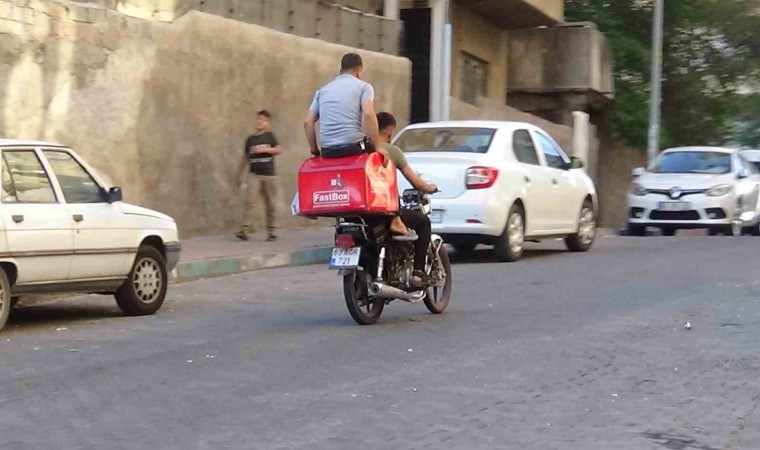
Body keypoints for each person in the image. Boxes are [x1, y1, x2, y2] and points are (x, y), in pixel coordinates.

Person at [376, 112, 438, 287]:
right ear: (389, 132)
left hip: (360, 211)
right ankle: (418, 273)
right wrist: (428, 187)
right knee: (423, 223)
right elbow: (416, 182)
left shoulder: (362, 150)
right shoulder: (391, 151)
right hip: (385, 210)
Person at [303, 52, 390, 162]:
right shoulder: (364, 87)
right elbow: (368, 114)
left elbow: (308, 122)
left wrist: (315, 151)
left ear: (341, 71)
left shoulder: (322, 91)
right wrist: (377, 147)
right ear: (359, 71)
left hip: (328, 151)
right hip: (353, 148)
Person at [236, 110, 282, 242]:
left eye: (262, 120)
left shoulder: (270, 136)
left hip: (268, 176)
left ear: (267, 123)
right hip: (254, 175)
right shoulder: (250, 140)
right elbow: (244, 158)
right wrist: (239, 174)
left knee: (270, 204)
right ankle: (244, 230)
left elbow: (279, 149)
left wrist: (264, 150)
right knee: (250, 202)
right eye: (258, 119)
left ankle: (271, 232)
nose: (259, 122)